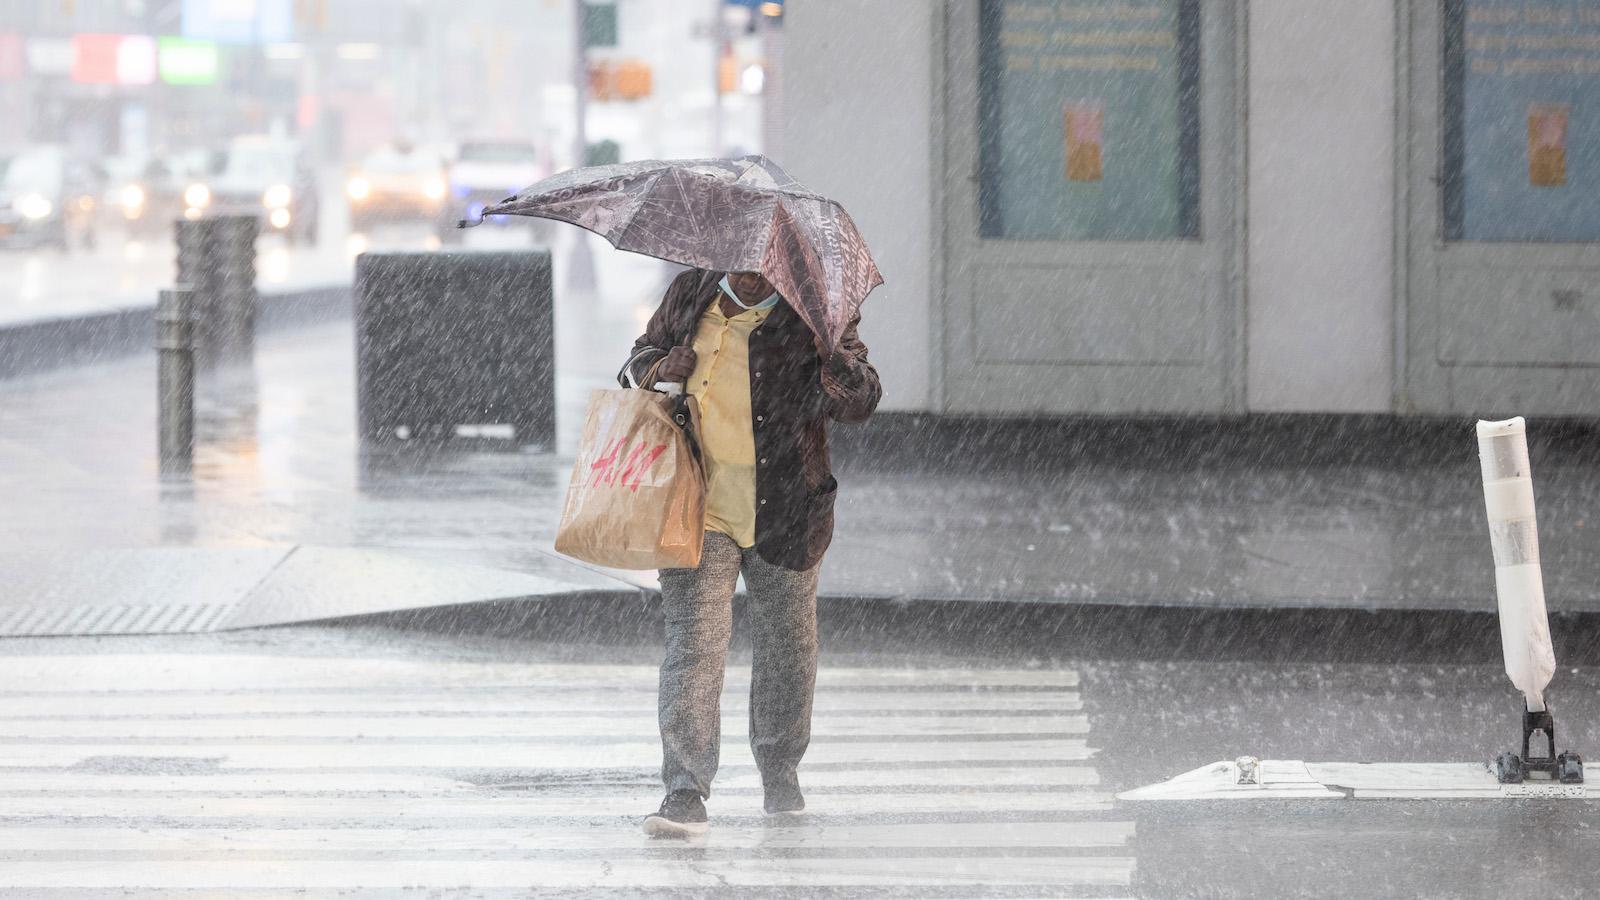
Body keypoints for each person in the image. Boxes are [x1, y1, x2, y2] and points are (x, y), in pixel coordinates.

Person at [621, 267, 881, 837]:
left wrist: (830, 352)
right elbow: (634, 363)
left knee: (787, 646)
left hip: (787, 506)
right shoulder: (692, 292)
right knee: (694, 647)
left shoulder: (819, 308)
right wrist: (659, 369)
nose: (748, 266)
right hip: (696, 503)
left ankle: (780, 771)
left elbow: (861, 401)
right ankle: (684, 792)